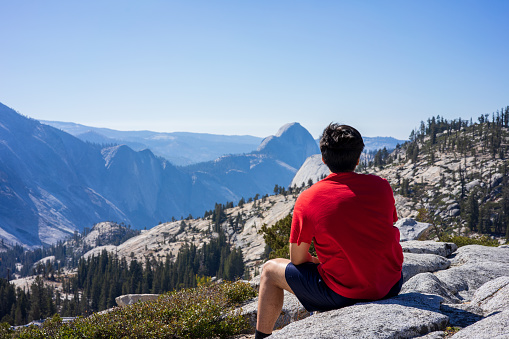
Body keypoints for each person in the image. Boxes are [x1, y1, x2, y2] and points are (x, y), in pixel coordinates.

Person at [255, 123, 404, 339]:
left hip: (342, 293)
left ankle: (261, 338)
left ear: (323, 159)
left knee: (269, 270)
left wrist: (320, 261)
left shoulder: (310, 198)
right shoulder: (382, 186)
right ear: (358, 158)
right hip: (390, 285)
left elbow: (297, 259)